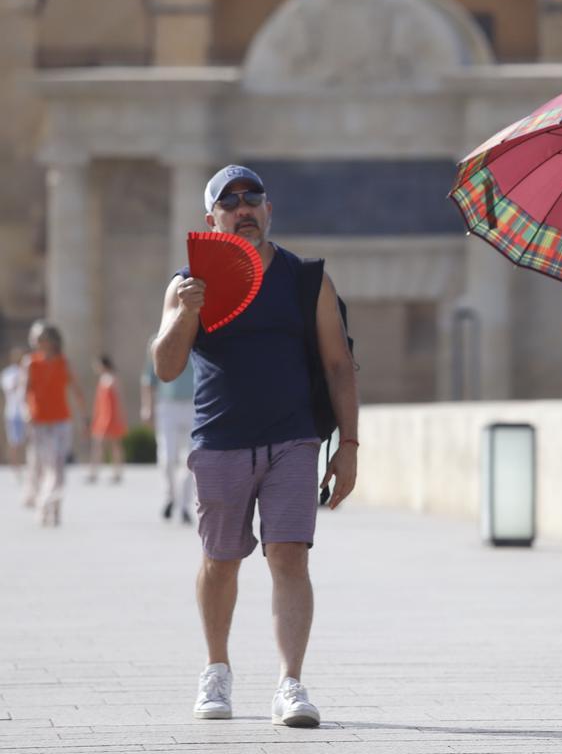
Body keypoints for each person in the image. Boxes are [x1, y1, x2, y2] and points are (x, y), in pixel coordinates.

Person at [151, 164, 358, 728]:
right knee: (220, 561)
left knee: (289, 554)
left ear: (268, 211)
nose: (243, 207)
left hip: (294, 439)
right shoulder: (186, 284)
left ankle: (291, 683)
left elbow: (340, 366)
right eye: (230, 201)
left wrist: (349, 447)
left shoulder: (305, 278)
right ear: (211, 218)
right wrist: (186, 314)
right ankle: (216, 669)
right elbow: (166, 367)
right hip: (220, 441)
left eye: (253, 198)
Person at [24, 323, 86, 526]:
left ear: (51, 340)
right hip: (39, 422)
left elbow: (76, 391)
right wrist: (27, 413)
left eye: (40, 337)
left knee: (58, 466)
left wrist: (84, 418)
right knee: (44, 466)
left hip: (61, 421)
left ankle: (52, 505)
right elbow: (26, 393)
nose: (36, 341)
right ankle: (46, 503)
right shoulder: (30, 363)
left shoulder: (63, 363)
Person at [141, 334, 196, 524]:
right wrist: (147, 407)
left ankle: (185, 505)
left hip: (193, 405)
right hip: (167, 406)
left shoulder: (196, 337)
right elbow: (149, 378)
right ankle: (170, 496)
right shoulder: (159, 339)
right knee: (167, 457)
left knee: (190, 459)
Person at [86, 355, 127, 484]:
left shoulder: (112, 379)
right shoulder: (103, 379)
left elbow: (116, 401)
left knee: (110, 446)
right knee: (103, 445)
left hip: (111, 417)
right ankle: (97, 472)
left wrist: (115, 417)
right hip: (103, 417)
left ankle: (114, 472)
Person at [1, 346, 29, 481]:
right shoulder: (8, 373)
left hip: (26, 411)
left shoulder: (27, 371)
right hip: (13, 412)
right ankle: (15, 468)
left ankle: (27, 466)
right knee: (14, 441)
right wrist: (20, 379)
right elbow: (10, 388)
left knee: (28, 441)